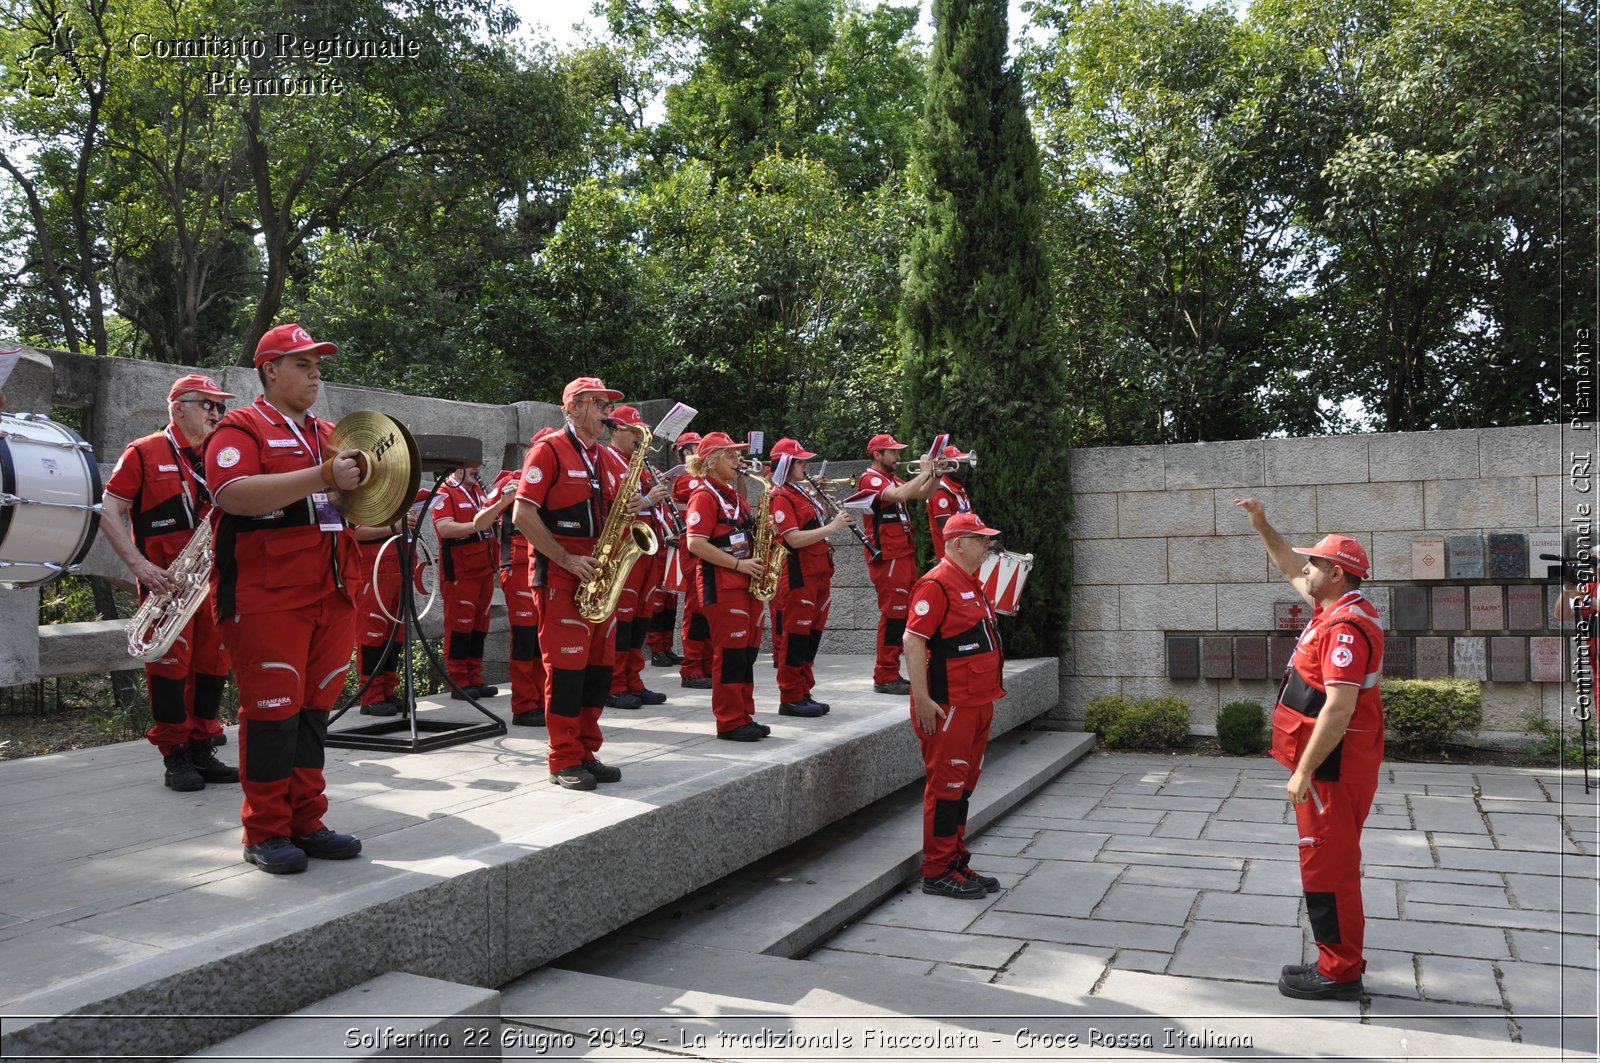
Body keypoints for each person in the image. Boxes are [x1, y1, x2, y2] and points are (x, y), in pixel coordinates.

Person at [205, 323, 367, 875]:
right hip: (267, 596)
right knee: (272, 713)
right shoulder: (239, 426)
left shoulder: (329, 432)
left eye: (318, 363)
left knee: (314, 712)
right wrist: (323, 474)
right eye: (302, 363)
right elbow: (232, 495)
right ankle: (265, 831)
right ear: (269, 370)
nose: (315, 371)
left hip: (333, 590)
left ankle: (307, 820)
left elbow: (349, 513)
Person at [1236, 497, 1383, 1001]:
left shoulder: (1345, 627)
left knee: (1328, 865)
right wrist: (1262, 525)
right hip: (1331, 768)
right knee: (1323, 861)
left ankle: (1340, 971)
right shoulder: (1335, 605)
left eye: (1316, 562)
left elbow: (1339, 708)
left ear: (1337, 574)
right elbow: (1285, 562)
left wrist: (1303, 771)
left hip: (1331, 770)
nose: (1307, 567)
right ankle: (1335, 960)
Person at [101, 372, 239, 791]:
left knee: (213, 667)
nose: (217, 413)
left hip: (213, 581)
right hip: (167, 584)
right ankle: (174, 754)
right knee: (169, 670)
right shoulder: (143, 451)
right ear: (178, 408)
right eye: (208, 405)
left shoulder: (224, 453)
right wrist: (139, 566)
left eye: (220, 406)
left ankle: (202, 746)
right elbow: (109, 511)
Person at [512, 377, 643, 790]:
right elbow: (522, 515)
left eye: (608, 404)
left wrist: (634, 507)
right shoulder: (548, 450)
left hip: (599, 580)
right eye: (599, 403)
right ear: (574, 407)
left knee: (597, 674)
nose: (608, 412)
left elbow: (616, 514)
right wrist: (566, 558)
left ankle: (586, 750)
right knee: (567, 673)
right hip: (561, 577)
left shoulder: (605, 457)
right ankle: (563, 758)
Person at [904, 511, 1007, 899]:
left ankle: (955, 860)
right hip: (949, 706)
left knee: (962, 787)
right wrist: (923, 700)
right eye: (980, 539)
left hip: (978, 701)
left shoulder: (972, 582)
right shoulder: (936, 584)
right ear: (958, 543)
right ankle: (936, 870)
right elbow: (913, 641)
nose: (987, 545)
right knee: (946, 787)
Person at [683, 432, 769, 741]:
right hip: (723, 583)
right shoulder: (704, 495)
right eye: (731, 455)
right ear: (712, 461)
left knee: (746, 653)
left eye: (737, 455)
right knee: (731, 654)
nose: (739, 461)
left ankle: (744, 714)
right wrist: (738, 564)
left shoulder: (733, 495)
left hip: (746, 582)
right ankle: (730, 721)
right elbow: (695, 543)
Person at [768, 437, 852, 717]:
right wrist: (832, 527)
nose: (805, 466)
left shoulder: (801, 492)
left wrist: (827, 511)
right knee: (795, 635)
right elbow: (792, 538)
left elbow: (810, 523)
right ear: (785, 465)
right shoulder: (780, 496)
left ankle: (803, 689)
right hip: (798, 573)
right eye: (800, 461)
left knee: (811, 635)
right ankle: (790, 696)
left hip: (819, 572)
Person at [857, 433, 938, 694]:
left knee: (903, 614)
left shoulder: (891, 477)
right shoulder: (870, 478)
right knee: (893, 615)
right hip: (888, 556)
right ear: (876, 455)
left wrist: (935, 473)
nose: (898, 456)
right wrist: (924, 471)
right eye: (891, 452)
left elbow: (924, 492)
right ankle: (884, 675)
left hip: (902, 553)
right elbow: (901, 493)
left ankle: (892, 671)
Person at [604, 405, 671, 710]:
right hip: (623, 546)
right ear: (616, 430)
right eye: (633, 431)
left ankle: (634, 679)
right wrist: (647, 498)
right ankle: (615, 685)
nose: (637, 437)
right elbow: (614, 505)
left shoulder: (638, 463)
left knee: (641, 618)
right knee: (623, 619)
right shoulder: (606, 459)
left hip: (646, 546)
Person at [432, 461, 514, 700]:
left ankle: (475, 678)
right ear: (457, 467)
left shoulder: (480, 492)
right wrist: (478, 525)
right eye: (472, 466)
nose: (478, 470)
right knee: (460, 628)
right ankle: (459, 681)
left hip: (484, 570)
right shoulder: (443, 492)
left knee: (479, 628)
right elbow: (444, 528)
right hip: (460, 572)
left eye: (479, 465)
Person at [494, 428, 557, 728]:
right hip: (516, 565)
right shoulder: (511, 480)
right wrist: (505, 498)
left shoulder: (554, 479)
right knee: (523, 640)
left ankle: (541, 700)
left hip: (541, 564)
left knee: (539, 640)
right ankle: (523, 705)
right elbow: (484, 517)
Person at [346, 502, 422, 717]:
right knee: (372, 635)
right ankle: (371, 697)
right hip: (374, 569)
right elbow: (354, 531)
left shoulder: (396, 494)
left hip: (401, 565)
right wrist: (394, 527)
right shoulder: (361, 495)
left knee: (395, 634)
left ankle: (388, 691)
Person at [671, 433, 714, 689]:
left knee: (710, 609)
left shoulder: (713, 482)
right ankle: (692, 668)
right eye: (700, 449)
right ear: (687, 453)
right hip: (694, 546)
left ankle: (707, 664)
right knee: (696, 609)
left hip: (713, 545)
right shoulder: (684, 481)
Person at [926, 443, 975, 561]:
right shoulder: (940, 492)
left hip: (965, 553)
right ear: (945, 464)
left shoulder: (957, 488)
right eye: (957, 463)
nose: (962, 467)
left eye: (963, 463)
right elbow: (949, 530)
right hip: (953, 558)